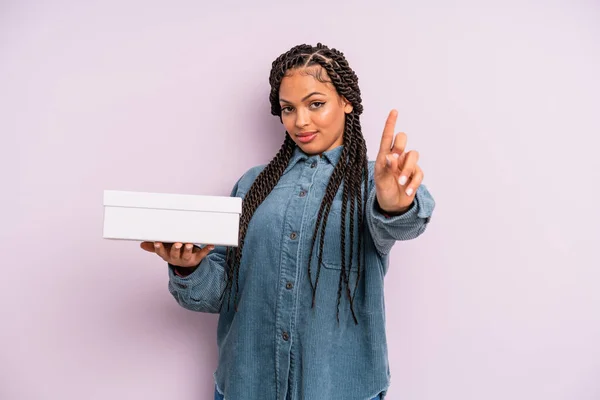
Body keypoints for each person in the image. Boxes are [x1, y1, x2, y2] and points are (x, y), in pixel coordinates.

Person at [140, 43, 435, 400]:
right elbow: (221, 293)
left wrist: (393, 203)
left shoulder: (373, 181)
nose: (301, 121)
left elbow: (403, 223)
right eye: (288, 109)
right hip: (247, 386)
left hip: (339, 389)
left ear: (346, 102)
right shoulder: (252, 185)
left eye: (316, 104)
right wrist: (187, 269)